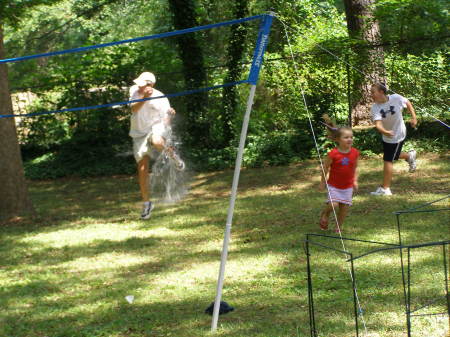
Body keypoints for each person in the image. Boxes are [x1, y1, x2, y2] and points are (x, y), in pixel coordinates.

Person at [129, 72, 185, 220]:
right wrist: (144, 97)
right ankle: (147, 204)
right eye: (139, 83)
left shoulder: (161, 97)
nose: (138, 86)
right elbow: (134, 109)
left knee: (157, 141)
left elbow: (166, 120)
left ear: (150, 85)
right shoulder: (134, 91)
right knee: (142, 169)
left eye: (142, 84)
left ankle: (174, 157)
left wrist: (169, 117)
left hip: (156, 127)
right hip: (139, 133)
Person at [370, 83, 417, 196]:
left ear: (381, 92)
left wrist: (414, 117)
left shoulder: (396, 98)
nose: (371, 95)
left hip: (398, 134)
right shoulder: (375, 107)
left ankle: (385, 189)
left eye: (373, 92)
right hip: (387, 136)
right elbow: (378, 124)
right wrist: (385, 131)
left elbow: (407, 103)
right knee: (393, 155)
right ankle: (409, 156)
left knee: (388, 160)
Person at [319, 115, 359, 233]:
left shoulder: (355, 153)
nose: (349, 139)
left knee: (344, 208)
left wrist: (355, 181)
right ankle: (325, 214)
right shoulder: (333, 154)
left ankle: (338, 227)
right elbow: (325, 168)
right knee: (333, 204)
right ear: (338, 139)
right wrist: (322, 182)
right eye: (346, 137)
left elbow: (355, 168)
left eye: (351, 137)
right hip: (334, 186)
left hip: (347, 186)